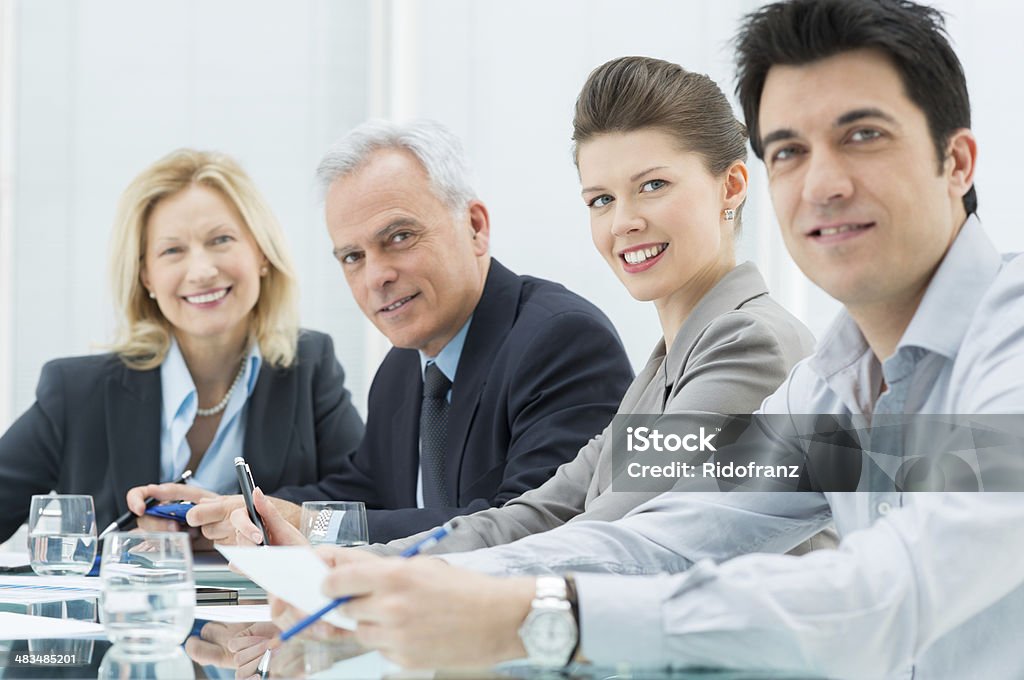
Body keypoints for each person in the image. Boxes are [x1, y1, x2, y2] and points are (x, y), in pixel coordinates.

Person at [261, 1, 1024, 676]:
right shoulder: (825, 388)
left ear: (955, 161)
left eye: (862, 135)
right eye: (788, 149)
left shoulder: (994, 340)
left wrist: (533, 613)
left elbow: (890, 593)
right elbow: (656, 535)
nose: (821, 183)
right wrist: (371, 579)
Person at [232, 57, 823, 565]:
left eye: (653, 186)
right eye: (601, 199)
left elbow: (608, 542)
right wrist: (340, 567)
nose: (623, 222)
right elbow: (537, 516)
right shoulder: (663, 371)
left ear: (733, 185)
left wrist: (357, 578)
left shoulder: (749, 344)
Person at [146, 120, 634, 544]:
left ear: (475, 226)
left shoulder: (562, 341)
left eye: (399, 238)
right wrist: (235, 509)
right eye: (353, 257)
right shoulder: (404, 366)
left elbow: (532, 529)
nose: (375, 276)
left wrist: (311, 525)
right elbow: (365, 492)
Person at [0, 149, 364, 543]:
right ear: (146, 277)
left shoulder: (309, 366)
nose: (202, 270)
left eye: (221, 239)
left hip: (268, 606)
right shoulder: (76, 391)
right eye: (172, 250)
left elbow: (358, 510)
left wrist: (257, 513)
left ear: (261, 253)